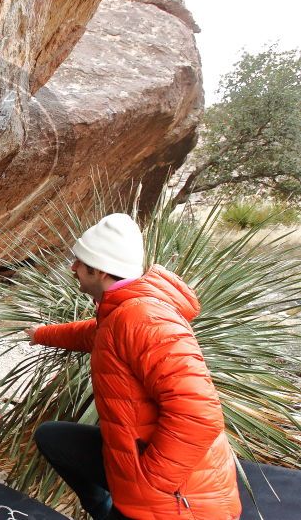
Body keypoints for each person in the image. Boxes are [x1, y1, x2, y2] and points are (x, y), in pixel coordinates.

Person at [25, 213, 241, 520]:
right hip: (137, 460)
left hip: (180, 503)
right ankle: (104, 510)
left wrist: (151, 483)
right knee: (53, 438)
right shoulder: (121, 312)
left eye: (78, 262)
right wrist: (42, 334)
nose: (72, 268)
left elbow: (199, 416)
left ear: (98, 270)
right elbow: (95, 333)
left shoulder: (144, 318)